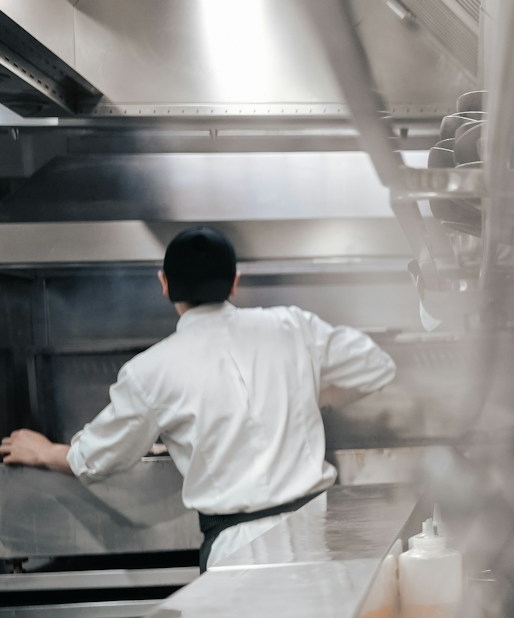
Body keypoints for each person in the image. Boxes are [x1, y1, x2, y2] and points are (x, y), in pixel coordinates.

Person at [0, 226, 397, 569]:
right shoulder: (292, 326)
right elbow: (377, 366)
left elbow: (96, 458)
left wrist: (45, 450)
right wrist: (316, 391)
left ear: (164, 284)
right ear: (235, 282)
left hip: (238, 551)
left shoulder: (151, 369)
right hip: (317, 533)